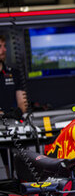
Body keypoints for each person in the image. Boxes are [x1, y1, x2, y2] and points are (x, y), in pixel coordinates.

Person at [0, 34, 27, 177]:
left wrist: (15, 113)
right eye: (0, 47)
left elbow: (22, 104)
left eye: (4, 46)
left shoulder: (13, 73)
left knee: (14, 169)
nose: (4, 50)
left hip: (10, 128)